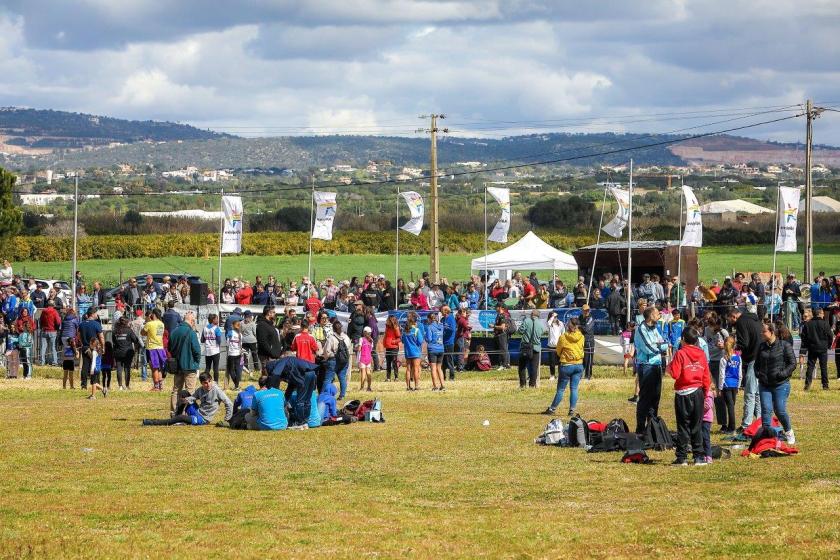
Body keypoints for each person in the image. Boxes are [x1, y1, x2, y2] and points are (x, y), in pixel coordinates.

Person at [667, 327, 711, 466]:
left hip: (683, 393)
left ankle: (682, 457)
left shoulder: (680, 353)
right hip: (698, 392)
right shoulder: (702, 354)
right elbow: (706, 376)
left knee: (683, 426)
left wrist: (669, 366)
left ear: (683, 340)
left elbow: (675, 374)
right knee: (696, 425)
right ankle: (698, 457)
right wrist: (705, 394)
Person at [755, 322, 797, 445]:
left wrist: (783, 374)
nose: (762, 334)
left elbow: (792, 363)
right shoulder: (761, 346)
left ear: (772, 332)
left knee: (780, 410)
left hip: (781, 384)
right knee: (766, 410)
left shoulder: (785, 345)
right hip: (765, 385)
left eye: (764, 331)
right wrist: (759, 374)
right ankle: (766, 436)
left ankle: (789, 432)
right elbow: (756, 364)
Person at [143, 373, 233, 426]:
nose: (208, 384)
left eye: (210, 381)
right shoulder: (200, 390)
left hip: (202, 419)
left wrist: (227, 420)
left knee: (181, 418)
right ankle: (176, 418)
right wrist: (186, 400)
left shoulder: (217, 391)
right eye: (205, 383)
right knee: (183, 393)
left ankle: (151, 422)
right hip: (197, 411)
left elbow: (229, 403)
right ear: (201, 383)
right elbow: (193, 398)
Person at [634, 306, 669, 435]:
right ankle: (640, 429)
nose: (659, 314)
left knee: (655, 398)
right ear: (650, 316)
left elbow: (665, 342)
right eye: (656, 313)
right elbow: (648, 348)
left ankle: (652, 428)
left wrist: (660, 346)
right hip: (646, 366)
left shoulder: (655, 328)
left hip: (657, 366)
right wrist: (660, 347)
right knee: (645, 399)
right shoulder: (641, 329)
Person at [728, 305, 763, 433]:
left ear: (734, 316)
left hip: (754, 358)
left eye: (730, 319)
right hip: (762, 357)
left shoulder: (741, 322)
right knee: (758, 392)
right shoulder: (754, 319)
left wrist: (732, 351)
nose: (730, 322)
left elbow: (744, 343)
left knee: (749, 392)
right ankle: (760, 421)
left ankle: (746, 424)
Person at [543, 317, 584, 416]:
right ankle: (572, 410)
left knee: (561, 389)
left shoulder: (563, 337)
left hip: (566, 365)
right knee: (574, 388)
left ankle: (552, 409)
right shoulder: (582, 336)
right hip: (578, 365)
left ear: (568, 326)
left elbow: (558, 351)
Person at [266, 357, 318, 428]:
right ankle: (305, 422)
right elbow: (291, 387)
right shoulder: (290, 367)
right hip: (312, 373)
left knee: (301, 401)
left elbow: (275, 374)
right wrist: (285, 400)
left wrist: (270, 390)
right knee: (307, 400)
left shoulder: (280, 363)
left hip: (305, 374)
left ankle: (300, 423)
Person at [167, 311, 202, 412]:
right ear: (192, 321)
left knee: (176, 390)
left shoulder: (174, 331)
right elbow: (197, 350)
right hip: (190, 366)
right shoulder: (191, 333)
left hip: (177, 366)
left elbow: (169, 347)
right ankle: (186, 412)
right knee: (190, 390)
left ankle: (174, 412)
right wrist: (196, 363)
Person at [800, 307, 832, 390]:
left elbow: (803, 337)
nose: (823, 314)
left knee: (810, 366)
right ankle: (825, 385)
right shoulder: (825, 324)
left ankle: (807, 384)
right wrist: (828, 345)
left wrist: (806, 347)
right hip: (823, 348)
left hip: (812, 348)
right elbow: (830, 336)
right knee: (823, 367)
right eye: (822, 313)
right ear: (820, 313)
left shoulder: (808, 324)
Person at [718, 336, 741, 435]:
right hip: (735, 384)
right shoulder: (738, 358)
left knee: (730, 406)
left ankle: (732, 427)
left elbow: (721, 374)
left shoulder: (724, 359)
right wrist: (739, 385)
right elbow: (740, 374)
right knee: (732, 405)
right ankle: (731, 426)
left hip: (726, 384)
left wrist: (720, 387)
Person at [517, 309, 545, 388]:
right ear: (538, 316)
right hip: (536, 348)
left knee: (522, 367)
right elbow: (541, 334)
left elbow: (520, 331)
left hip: (525, 347)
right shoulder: (540, 324)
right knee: (534, 368)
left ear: (531, 314)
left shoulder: (526, 321)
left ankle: (522, 384)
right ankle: (532, 385)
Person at [79, 307, 105, 390]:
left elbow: (78, 336)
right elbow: (101, 337)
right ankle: (96, 383)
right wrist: (103, 347)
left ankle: (83, 385)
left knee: (85, 366)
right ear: (93, 314)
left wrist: (82, 343)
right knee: (95, 365)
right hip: (95, 348)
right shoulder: (96, 324)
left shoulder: (82, 324)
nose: (97, 315)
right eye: (96, 313)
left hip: (85, 347)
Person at [112, 315, 140, 390]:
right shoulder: (129, 330)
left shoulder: (115, 331)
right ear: (127, 322)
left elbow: (114, 342)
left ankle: (120, 386)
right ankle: (127, 386)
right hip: (127, 352)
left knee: (119, 369)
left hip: (118, 352)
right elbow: (135, 340)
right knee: (127, 369)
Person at [143, 309, 166, 392]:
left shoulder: (149, 323)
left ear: (153, 314)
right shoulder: (162, 324)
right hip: (160, 347)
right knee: (159, 368)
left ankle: (156, 386)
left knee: (154, 368)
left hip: (152, 348)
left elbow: (142, 332)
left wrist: (148, 320)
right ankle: (160, 385)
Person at [401, 311, 423, 391]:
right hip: (416, 352)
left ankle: (408, 387)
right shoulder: (416, 330)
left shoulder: (404, 331)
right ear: (414, 322)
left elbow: (402, 341)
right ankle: (416, 386)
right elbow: (420, 341)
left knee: (408, 369)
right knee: (416, 369)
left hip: (408, 352)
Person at [331, 321, 353, 400]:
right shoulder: (346, 337)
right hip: (344, 360)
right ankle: (342, 395)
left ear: (333, 328)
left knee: (330, 378)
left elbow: (328, 350)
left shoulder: (332, 337)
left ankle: (330, 393)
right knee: (342, 377)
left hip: (335, 360)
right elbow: (349, 347)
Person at [425, 311, 445, 391]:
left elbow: (429, 339)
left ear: (429, 319)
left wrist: (425, 337)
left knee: (433, 368)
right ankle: (443, 385)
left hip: (432, 349)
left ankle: (435, 386)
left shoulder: (429, 327)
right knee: (439, 368)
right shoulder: (441, 326)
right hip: (441, 348)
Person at [201, 313, 223, 384]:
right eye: (216, 319)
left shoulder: (205, 328)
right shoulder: (216, 328)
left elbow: (202, 340)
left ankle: (204, 381)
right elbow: (219, 340)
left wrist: (208, 339)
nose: (217, 320)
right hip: (215, 350)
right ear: (213, 320)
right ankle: (216, 382)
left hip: (207, 350)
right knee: (215, 368)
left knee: (207, 368)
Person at [38, 300, 61, 366]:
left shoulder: (44, 311)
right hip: (52, 331)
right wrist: (57, 328)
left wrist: (42, 327)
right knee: (53, 347)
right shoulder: (54, 311)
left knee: (43, 347)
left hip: (44, 331)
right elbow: (58, 322)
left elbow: (40, 320)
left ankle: (42, 362)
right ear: (53, 305)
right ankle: (54, 362)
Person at [545, 311, 565, 381]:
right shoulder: (549, 324)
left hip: (559, 346)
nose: (555, 318)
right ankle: (552, 375)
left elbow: (563, 333)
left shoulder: (561, 323)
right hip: (551, 346)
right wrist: (552, 316)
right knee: (552, 362)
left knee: (560, 361)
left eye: (556, 317)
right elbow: (548, 323)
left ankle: (560, 375)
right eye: (553, 317)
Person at [225, 316, 243, 390]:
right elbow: (241, 344)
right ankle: (237, 385)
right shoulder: (240, 334)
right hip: (238, 353)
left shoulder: (230, 332)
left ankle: (236, 384)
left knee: (231, 370)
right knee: (237, 369)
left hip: (231, 354)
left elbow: (227, 343)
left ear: (233, 325)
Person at [241, 311, 260, 377]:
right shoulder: (252, 323)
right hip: (252, 341)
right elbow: (255, 332)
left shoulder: (241, 323)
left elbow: (240, 332)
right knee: (254, 354)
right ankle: (256, 368)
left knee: (245, 355)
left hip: (244, 341)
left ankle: (246, 368)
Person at [493, 304, 512, 371]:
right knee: (505, 349)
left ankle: (503, 365)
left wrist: (493, 326)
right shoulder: (500, 315)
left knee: (503, 350)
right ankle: (507, 364)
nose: (495, 308)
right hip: (501, 334)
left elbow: (502, 327)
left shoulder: (502, 315)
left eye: (496, 307)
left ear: (500, 307)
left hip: (502, 335)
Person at [441, 305, 457, 380]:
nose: (440, 311)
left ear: (446, 311)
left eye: (442, 310)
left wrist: (444, 328)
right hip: (442, 343)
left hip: (449, 343)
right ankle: (442, 376)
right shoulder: (442, 319)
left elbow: (452, 329)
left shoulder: (451, 318)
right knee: (442, 360)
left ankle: (452, 377)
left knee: (449, 360)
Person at [383, 315, 401, 382]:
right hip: (388, 347)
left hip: (394, 348)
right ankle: (388, 378)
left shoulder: (396, 328)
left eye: (389, 320)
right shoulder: (387, 327)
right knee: (388, 362)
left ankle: (396, 377)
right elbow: (386, 336)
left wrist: (393, 342)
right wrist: (384, 343)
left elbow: (399, 338)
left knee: (394, 362)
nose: (387, 321)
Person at [580, 305, 595, 380]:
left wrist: (579, 326)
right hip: (581, 340)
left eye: (588, 310)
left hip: (589, 341)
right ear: (582, 310)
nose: (587, 312)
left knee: (588, 359)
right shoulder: (580, 317)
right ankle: (581, 374)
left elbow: (587, 329)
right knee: (582, 358)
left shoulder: (591, 318)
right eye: (585, 310)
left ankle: (588, 375)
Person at [358, 326, 374, 392]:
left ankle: (362, 388)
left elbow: (359, 349)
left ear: (364, 332)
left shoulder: (361, 339)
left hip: (363, 358)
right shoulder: (371, 340)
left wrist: (356, 347)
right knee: (368, 373)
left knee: (363, 373)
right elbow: (371, 349)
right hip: (369, 358)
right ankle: (369, 387)